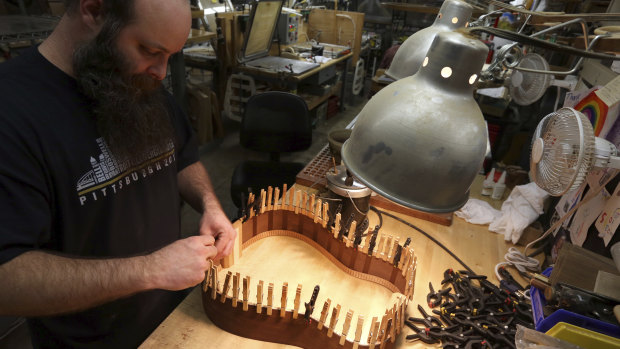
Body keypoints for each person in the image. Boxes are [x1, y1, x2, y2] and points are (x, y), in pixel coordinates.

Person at [0, 0, 237, 347]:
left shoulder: (132, 78)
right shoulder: (12, 111)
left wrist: (209, 204)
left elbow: (183, 156)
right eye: (150, 50)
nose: (160, 72)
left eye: (170, 55)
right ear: (94, 10)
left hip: (172, 319)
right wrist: (152, 269)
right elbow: (6, 279)